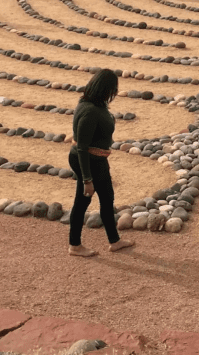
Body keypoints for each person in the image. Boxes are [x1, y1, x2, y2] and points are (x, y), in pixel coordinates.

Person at [68, 68, 134, 257]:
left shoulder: (94, 104)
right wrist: (87, 180)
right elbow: (81, 147)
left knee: (107, 199)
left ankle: (114, 241)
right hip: (88, 160)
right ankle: (74, 245)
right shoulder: (90, 111)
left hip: (98, 159)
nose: (114, 93)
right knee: (82, 201)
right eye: (113, 89)